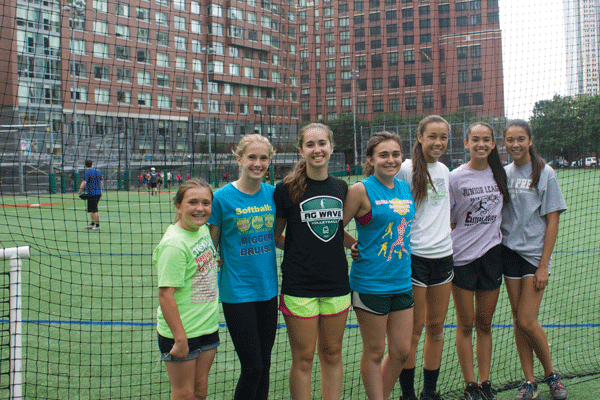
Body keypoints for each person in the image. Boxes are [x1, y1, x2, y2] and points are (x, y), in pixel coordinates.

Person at [273, 123, 355, 400]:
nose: (317, 149)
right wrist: (299, 250)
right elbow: (276, 236)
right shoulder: (285, 189)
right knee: (304, 358)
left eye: (322, 143)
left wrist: (353, 244)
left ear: (331, 147)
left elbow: (334, 229)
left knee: (332, 354)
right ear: (301, 150)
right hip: (299, 285)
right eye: (310, 144)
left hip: (337, 284)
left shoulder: (341, 187)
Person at [343, 131, 415, 400]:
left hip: (402, 280)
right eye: (383, 155)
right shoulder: (360, 190)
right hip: (370, 283)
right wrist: (352, 243)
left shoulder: (404, 188)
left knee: (401, 351)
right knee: (374, 352)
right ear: (371, 159)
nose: (390, 160)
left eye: (395, 154)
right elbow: (335, 228)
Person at [500, 120, 568, 400]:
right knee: (518, 320)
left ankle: (551, 374)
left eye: (520, 139)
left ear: (530, 140)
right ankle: (529, 381)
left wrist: (543, 265)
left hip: (534, 257)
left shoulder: (545, 172)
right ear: (504, 142)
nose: (515, 144)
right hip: (509, 253)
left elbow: (552, 221)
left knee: (528, 320)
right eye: (510, 139)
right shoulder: (502, 173)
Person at [208, 135, 279, 400]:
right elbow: (211, 246)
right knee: (253, 367)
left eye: (263, 158)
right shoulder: (221, 198)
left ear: (269, 161)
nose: (257, 163)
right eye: (252, 157)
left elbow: (279, 236)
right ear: (239, 159)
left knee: (265, 365)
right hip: (237, 292)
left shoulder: (273, 194)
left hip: (268, 290)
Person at [449, 123, 509, 400]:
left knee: (485, 323)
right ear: (465, 143)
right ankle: (470, 385)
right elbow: (449, 218)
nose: (481, 144)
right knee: (465, 325)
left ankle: (485, 383)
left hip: (492, 256)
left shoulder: (501, 175)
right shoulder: (455, 177)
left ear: (494, 144)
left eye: (486, 140)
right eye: (476, 139)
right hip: (461, 257)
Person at [395, 116, 453, 400]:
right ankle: (408, 394)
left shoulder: (444, 170)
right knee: (413, 332)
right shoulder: (405, 169)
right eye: (432, 136)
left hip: (444, 258)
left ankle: (430, 392)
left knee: (437, 328)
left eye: (443, 137)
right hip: (414, 258)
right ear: (419, 137)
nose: (438, 142)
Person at [153, 178, 220, 400]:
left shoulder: (201, 230)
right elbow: (166, 296)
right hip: (182, 333)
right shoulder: (174, 244)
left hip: (207, 327)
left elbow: (198, 266)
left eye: (206, 202)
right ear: (178, 206)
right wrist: (180, 339)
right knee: (184, 394)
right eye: (192, 202)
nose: (200, 208)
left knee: (200, 391)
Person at [78, 159, 103, 231]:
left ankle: (98, 226)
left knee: (94, 210)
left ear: (85, 165)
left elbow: (83, 182)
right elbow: (101, 182)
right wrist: (101, 191)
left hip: (92, 193)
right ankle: (92, 223)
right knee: (92, 209)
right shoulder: (98, 172)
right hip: (97, 193)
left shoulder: (87, 172)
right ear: (92, 164)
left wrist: (80, 191)